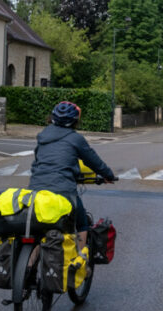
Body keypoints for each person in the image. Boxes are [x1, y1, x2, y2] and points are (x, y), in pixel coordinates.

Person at [28, 101, 115, 246]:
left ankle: (29, 263)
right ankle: (79, 261)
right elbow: (93, 161)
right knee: (81, 224)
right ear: (75, 121)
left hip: (36, 191)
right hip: (64, 191)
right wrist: (109, 175)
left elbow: (38, 160)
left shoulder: (42, 135)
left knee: (38, 228)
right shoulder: (76, 139)